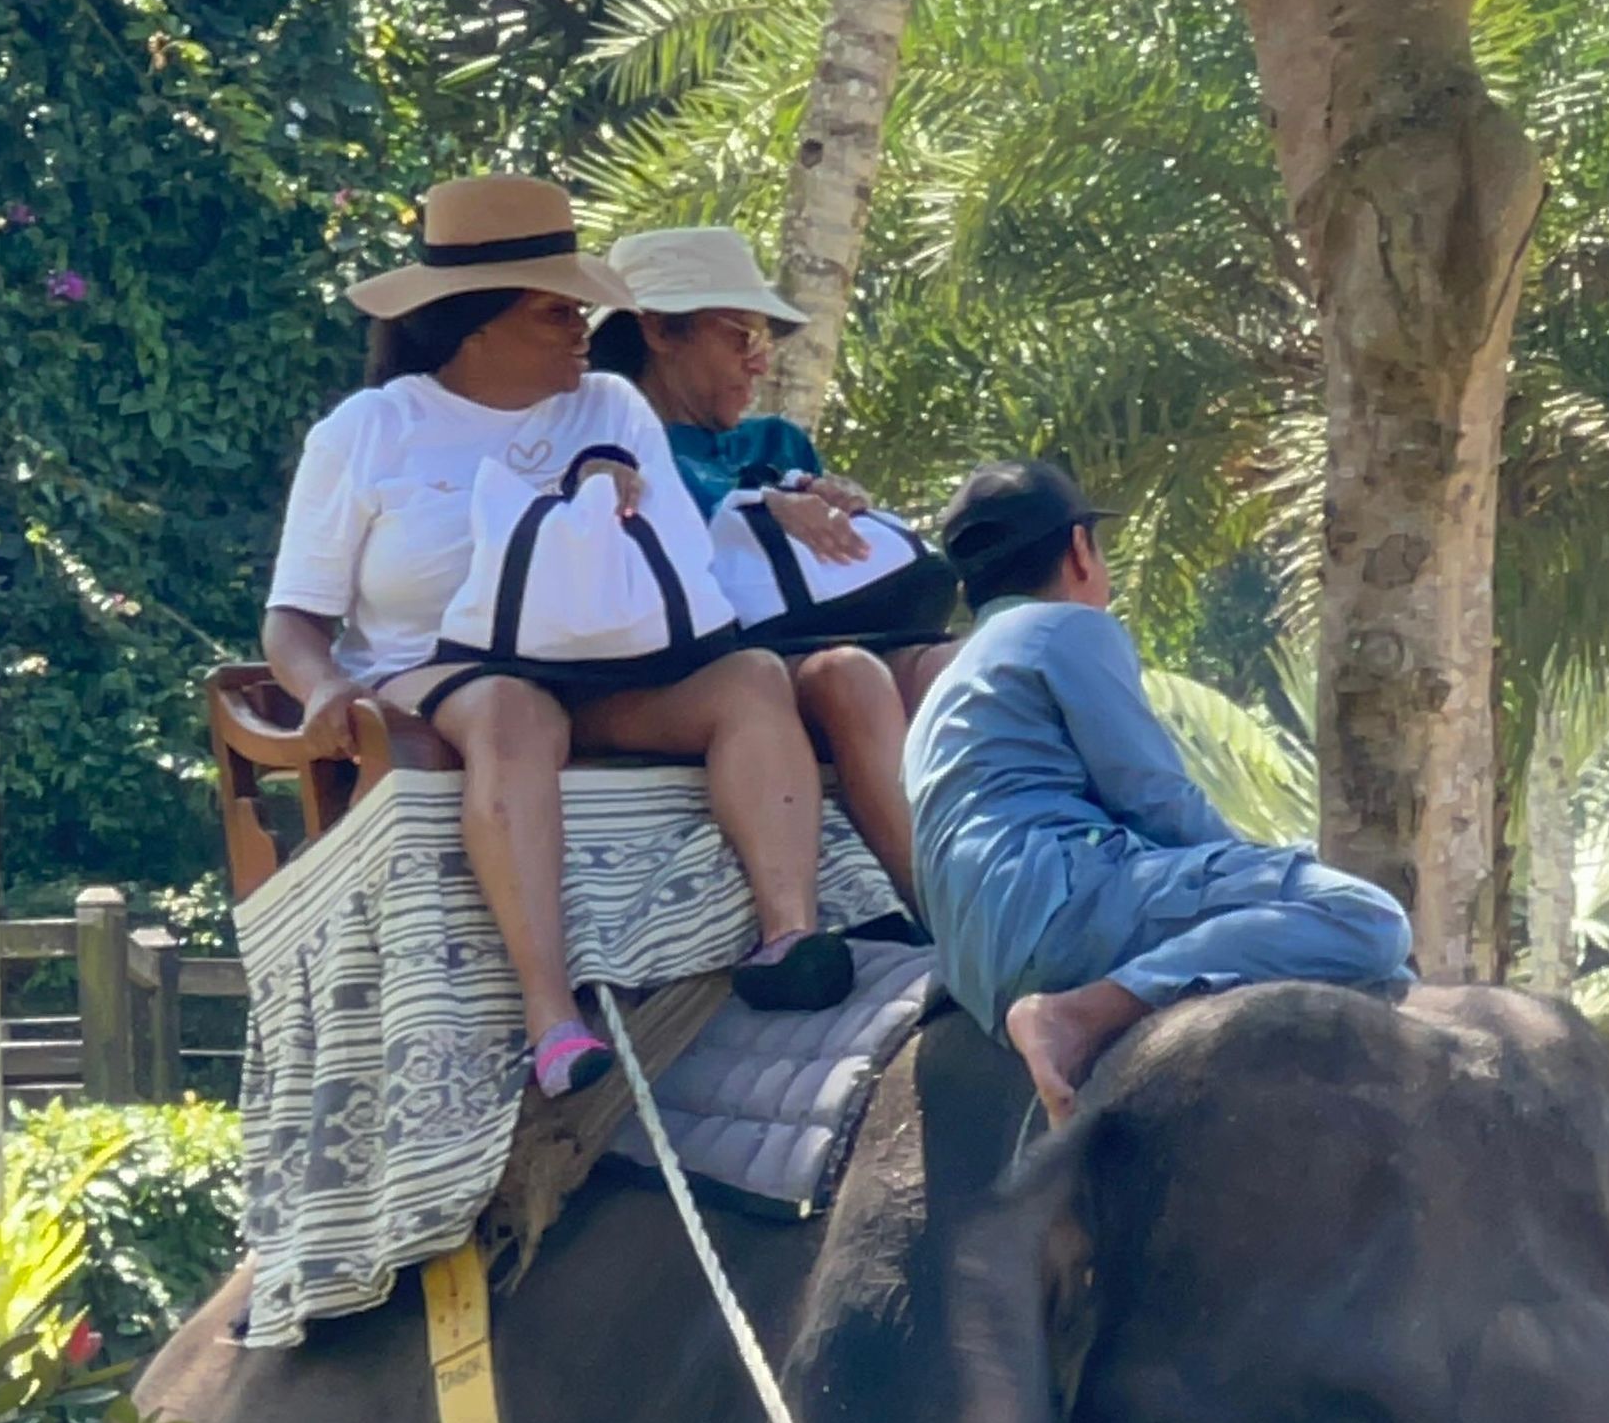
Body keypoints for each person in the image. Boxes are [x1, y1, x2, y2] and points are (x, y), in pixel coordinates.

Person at [264, 175, 854, 1104]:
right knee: (513, 710)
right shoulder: (371, 430)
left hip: (612, 667)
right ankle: (552, 1015)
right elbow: (294, 618)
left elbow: (683, 563)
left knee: (749, 677)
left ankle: (791, 937)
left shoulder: (612, 404)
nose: (584, 329)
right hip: (437, 674)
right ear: (474, 324)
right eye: (556, 312)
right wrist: (324, 689)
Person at [903, 460, 1415, 1122]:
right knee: (1364, 917)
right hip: (1063, 908)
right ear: (1080, 550)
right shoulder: (1064, 627)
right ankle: (1076, 1015)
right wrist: (1264, 872)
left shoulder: (945, 683)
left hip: (980, 968)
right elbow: (1153, 796)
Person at [590, 228, 951, 906]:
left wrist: (841, 508)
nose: (759, 363)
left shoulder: (778, 443)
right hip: (703, 666)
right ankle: (944, 911)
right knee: (849, 677)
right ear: (659, 332)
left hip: (804, 640)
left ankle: (1031, 869)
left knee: (956, 663)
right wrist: (760, 502)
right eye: (741, 337)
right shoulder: (606, 440)